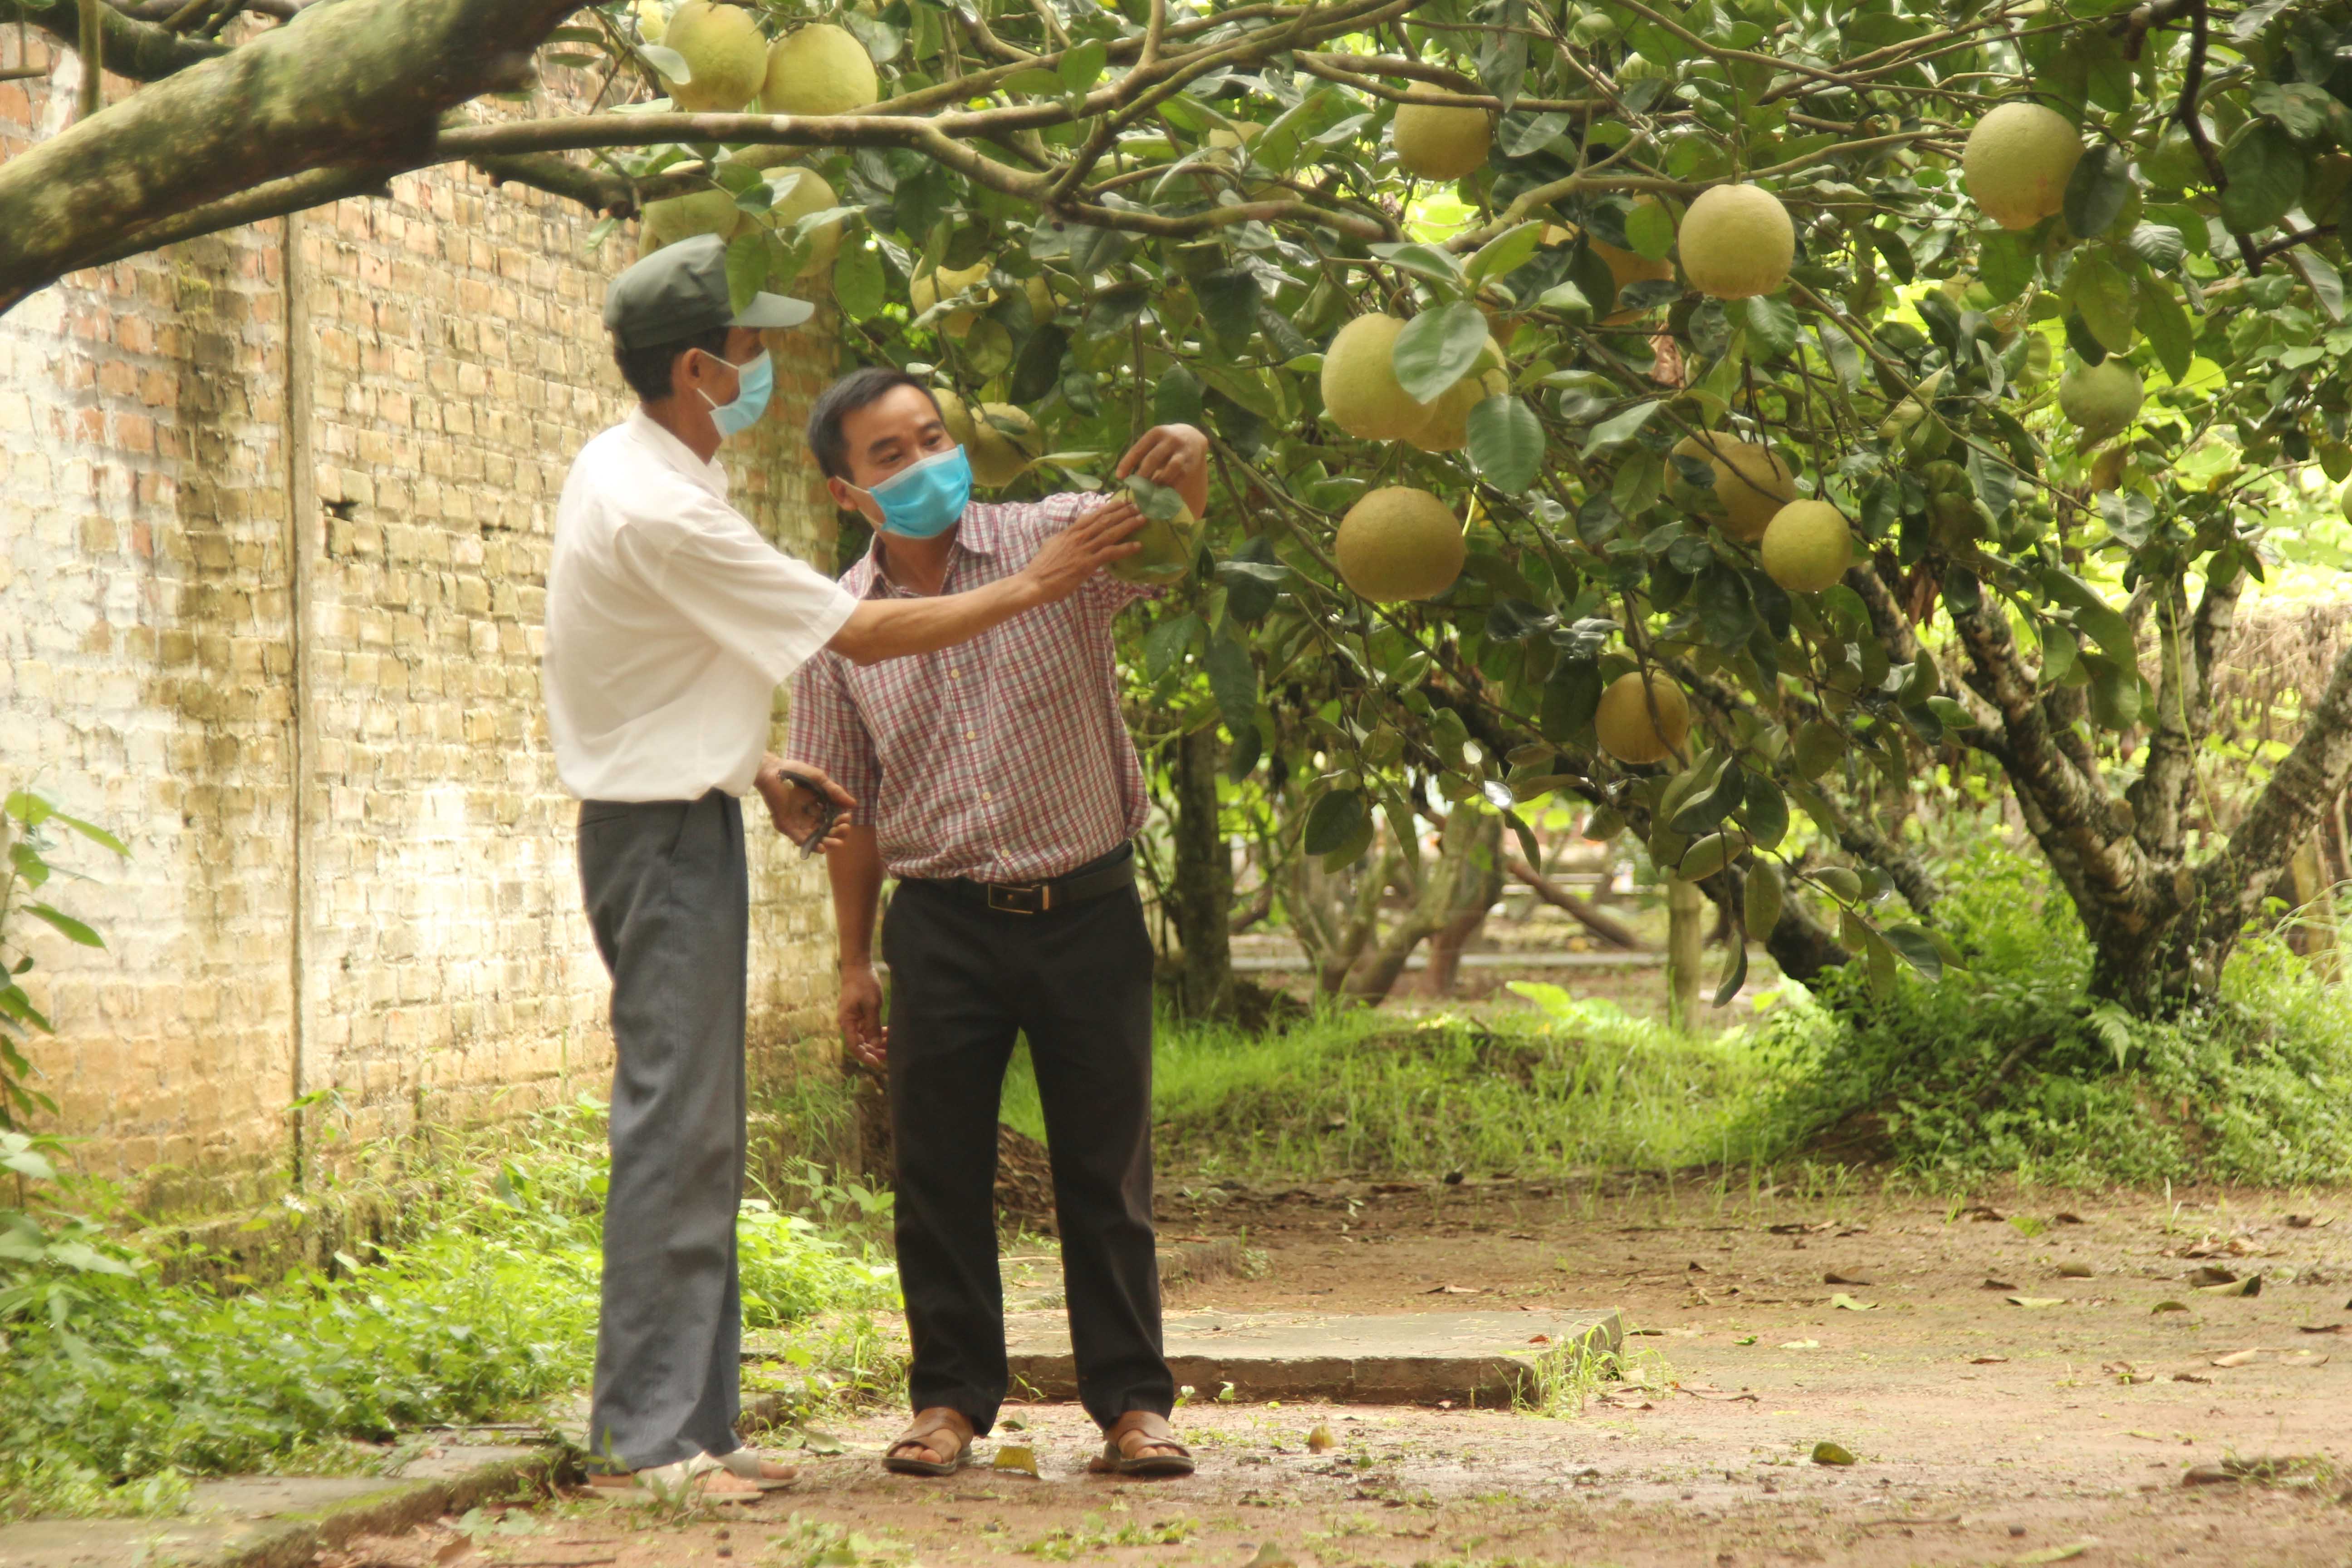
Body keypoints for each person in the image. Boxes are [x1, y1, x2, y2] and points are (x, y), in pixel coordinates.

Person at [544, 238, 1144, 1503]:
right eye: (750, 348)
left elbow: (647, 666)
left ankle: (697, 1425)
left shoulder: (642, 470)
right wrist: (1035, 587)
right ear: (699, 369)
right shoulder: (659, 503)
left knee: (701, 1136)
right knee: (678, 1133)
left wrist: (754, 763)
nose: (765, 363)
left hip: (688, 812)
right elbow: (859, 634)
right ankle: (654, 1440)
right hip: (662, 836)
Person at [787, 367, 1210, 1480]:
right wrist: (853, 959)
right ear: (847, 492)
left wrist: (1188, 447)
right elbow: (846, 811)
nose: (926, 463)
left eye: (934, 437)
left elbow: (1168, 537)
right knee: (937, 1176)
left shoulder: (1052, 535)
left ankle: (1133, 1406)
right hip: (940, 924)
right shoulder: (842, 626)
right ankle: (950, 1403)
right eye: (891, 454)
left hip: (1086, 907)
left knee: (1106, 1173)